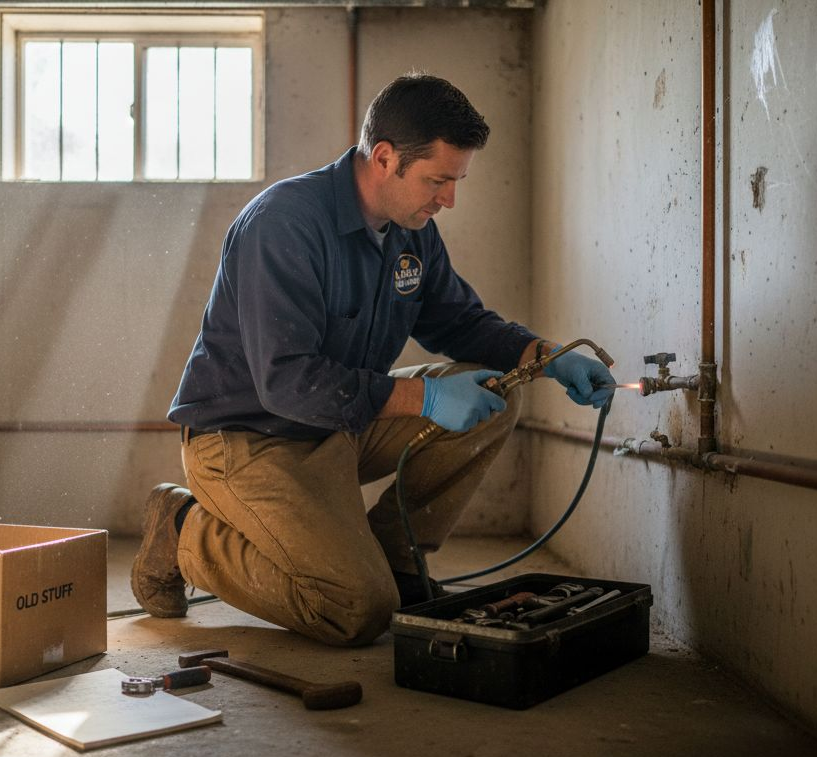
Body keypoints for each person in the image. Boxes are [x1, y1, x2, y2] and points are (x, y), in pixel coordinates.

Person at [131, 73, 614, 647]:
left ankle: (397, 560)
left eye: (456, 181)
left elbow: (458, 321)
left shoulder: (412, 230)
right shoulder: (284, 225)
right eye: (438, 180)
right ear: (384, 157)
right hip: (250, 439)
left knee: (498, 394)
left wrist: (546, 356)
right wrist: (427, 399)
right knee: (353, 608)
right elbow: (286, 383)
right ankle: (183, 531)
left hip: (338, 426)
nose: (448, 199)